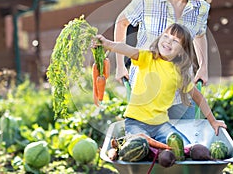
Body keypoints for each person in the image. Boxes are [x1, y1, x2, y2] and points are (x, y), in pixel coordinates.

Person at [94, 23, 226, 145]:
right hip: (136, 123)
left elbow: (198, 97)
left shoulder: (178, 74)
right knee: (139, 145)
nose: (169, 41)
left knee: (182, 146)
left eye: (175, 40)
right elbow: (127, 49)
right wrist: (108, 44)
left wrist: (213, 121)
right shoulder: (147, 58)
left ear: (181, 51)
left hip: (161, 125)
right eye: (166, 36)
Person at [114, 0, 212, 119]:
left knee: (183, 140)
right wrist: (120, 65)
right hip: (147, 90)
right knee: (149, 140)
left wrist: (203, 67)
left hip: (181, 90)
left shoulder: (200, 9)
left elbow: (200, 35)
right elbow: (121, 23)